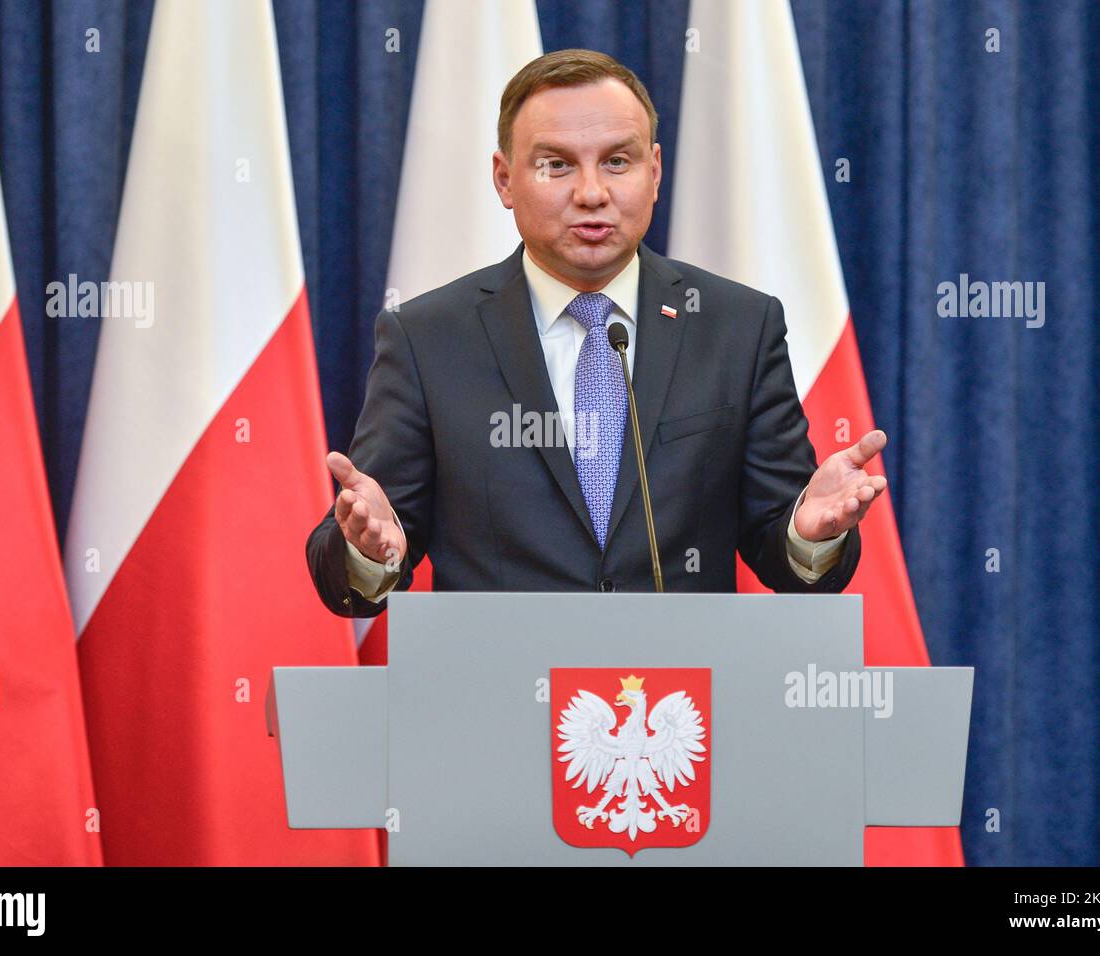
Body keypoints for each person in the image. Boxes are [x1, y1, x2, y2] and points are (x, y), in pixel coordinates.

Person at [306, 49, 888, 617]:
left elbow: (781, 549)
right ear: (505, 180)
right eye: (556, 164)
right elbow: (368, 555)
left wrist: (810, 536)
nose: (591, 193)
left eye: (617, 161)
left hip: (678, 704)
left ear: (654, 172)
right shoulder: (428, 338)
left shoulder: (738, 327)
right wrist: (367, 551)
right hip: (498, 699)